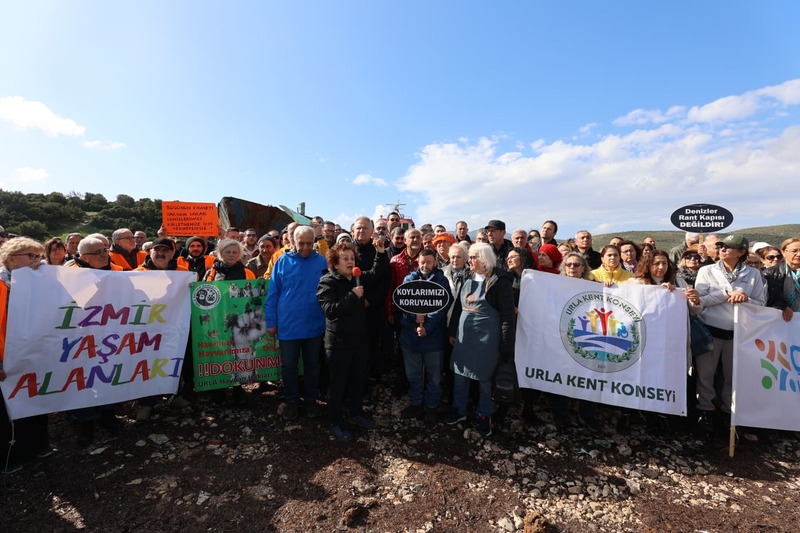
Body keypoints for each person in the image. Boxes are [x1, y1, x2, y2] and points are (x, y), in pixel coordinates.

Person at [317, 238, 389, 441]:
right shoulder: (327, 282)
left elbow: (376, 273)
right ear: (335, 263)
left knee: (358, 380)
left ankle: (356, 413)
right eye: (345, 259)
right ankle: (336, 422)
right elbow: (330, 311)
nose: (350, 262)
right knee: (337, 384)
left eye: (352, 258)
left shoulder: (356, 277)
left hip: (359, 341)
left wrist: (380, 253)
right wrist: (351, 296)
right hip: (338, 344)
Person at [694, 234, 766, 436]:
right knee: (706, 374)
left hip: (738, 333)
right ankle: (705, 410)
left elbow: (761, 303)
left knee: (732, 376)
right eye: (721, 246)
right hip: (710, 330)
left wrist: (745, 299)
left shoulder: (754, 274)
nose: (722, 250)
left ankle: (729, 412)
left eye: (728, 247)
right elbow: (700, 301)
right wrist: (726, 294)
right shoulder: (706, 270)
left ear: (741, 252)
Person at [447, 242, 515, 438]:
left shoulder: (500, 281)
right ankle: (459, 410)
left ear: (484, 259)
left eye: (473, 257)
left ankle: (484, 415)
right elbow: (458, 308)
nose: (469, 261)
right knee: (460, 375)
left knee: (485, 379)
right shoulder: (467, 276)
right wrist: (453, 331)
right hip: (464, 337)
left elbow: (507, 316)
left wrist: (506, 344)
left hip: (487, 339)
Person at [264, 226, 327, 421]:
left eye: (309, 243)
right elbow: (272, 294)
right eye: (301, 243)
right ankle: (291, 402)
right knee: (289, 366)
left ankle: (310, 401)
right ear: (293, 241)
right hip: (288, 325)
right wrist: (271, 322)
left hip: (314, 324)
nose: (306, 247)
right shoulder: (282, 261)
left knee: (312, 366)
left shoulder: (321, 261)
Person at [0, 237, 51, 473]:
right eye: (31, 256)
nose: (37, 261)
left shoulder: (41, 282)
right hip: (4, 359)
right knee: (5, 410)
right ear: (11, 259)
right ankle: (8, 456)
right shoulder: (2, 285)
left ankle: (38, 445)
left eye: (40, 256)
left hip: (34, 352)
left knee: (36, 396)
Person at [133, 238, 191, 420]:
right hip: (148, 329)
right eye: (157, 249)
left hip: (174, 328)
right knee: (148, 364)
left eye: (166, 250)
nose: (161, 253)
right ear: (150, 252)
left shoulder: (183, 273)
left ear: (173, 253)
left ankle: (174, 395)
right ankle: (146, 403)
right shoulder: (137, 274)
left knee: (173, 360)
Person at [398, 249, 451, 424]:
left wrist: (427, 327)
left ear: (435, 262)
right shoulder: (409, 280)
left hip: (433, 340)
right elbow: (402, 305)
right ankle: (416, 403)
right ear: (418, 262)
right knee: (413, 375)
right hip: (410, 339)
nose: (425, 265)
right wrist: (414, 317)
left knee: (434, 377)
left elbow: (442, 309)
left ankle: (432, 406)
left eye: (428, 262)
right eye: (422, 262)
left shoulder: (441, 281)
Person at [551, 252, 601, 431]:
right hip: (562, 337)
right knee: (563, 376)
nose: (572, 267)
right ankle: (561, 414)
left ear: (584, 268)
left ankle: (587, 415)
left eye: (576, 264)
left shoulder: (595, 287)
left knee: (589, 376)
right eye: (569, 264)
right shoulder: (554, 286)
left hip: (587, 338)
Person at [764, 238, 800, 323]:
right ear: (783, 252)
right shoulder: (770, 273)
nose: (799, 254)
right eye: (794, 251)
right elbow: (767, 298)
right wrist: (782, 306)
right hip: (782, 321)